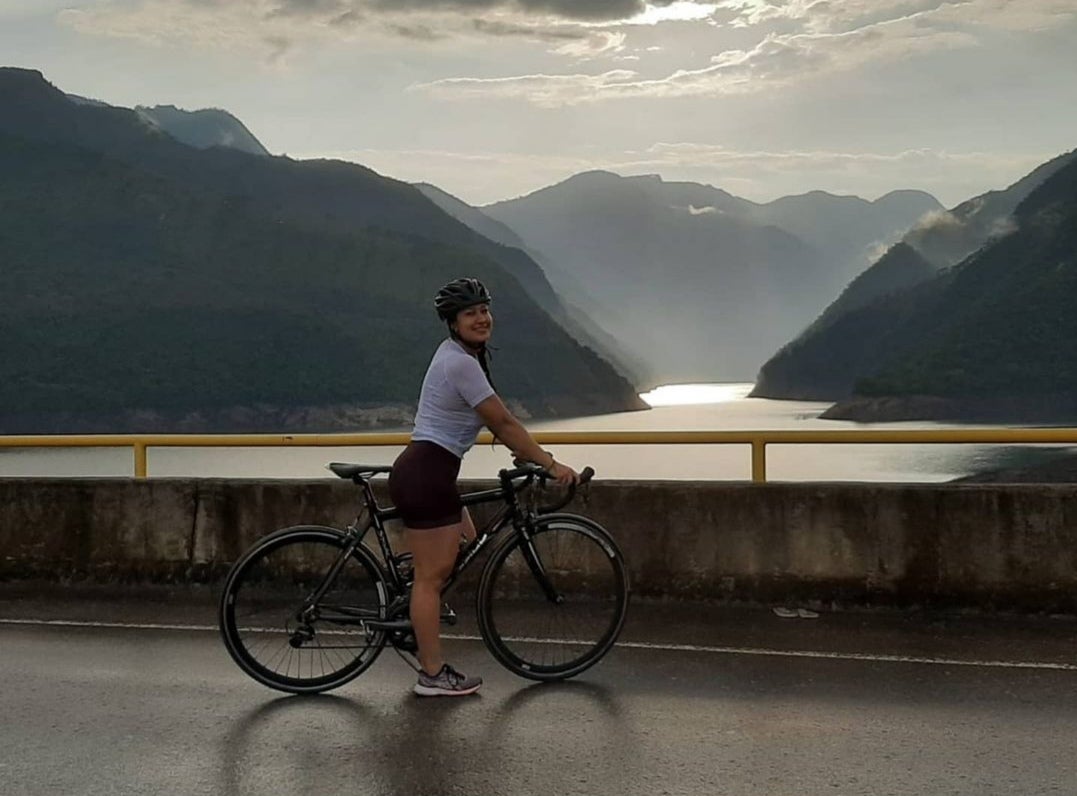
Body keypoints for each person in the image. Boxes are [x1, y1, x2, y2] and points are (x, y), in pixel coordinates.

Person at [388, 277, 578, 697]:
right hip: (428, 476)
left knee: (467, 541)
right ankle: (432, 675)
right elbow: (503, 421)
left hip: (429, 472)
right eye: (470, 313)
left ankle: (412, 611)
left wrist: (524, 451)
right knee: (431, 579)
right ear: (453, 322)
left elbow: (494, 422)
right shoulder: (460, 363)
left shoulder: (456, 355)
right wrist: (548, 462)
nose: (481, 318)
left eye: (484, 310)